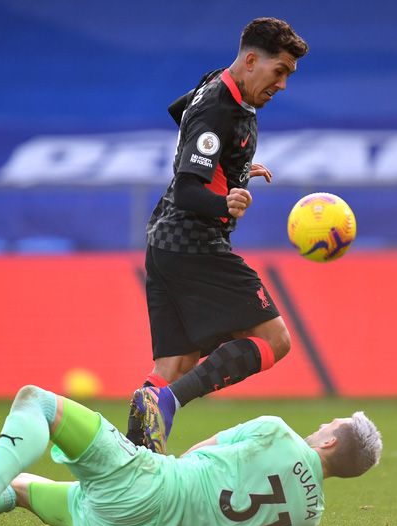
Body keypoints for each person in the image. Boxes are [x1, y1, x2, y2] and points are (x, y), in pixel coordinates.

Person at [0, 385, 382, 526]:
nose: (321, 427)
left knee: (37, 402)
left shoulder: (278, 433)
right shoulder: (310, 518)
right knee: (20, 486)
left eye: (329, 427)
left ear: (332, 444)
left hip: (149, 483)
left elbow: (197, 453)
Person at [127, 17, 310, 454]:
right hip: (195, 244)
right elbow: (190, 186)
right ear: (251, 61)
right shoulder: (218, 107)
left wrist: (235, 164)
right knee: (275, 340)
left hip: (164, 243)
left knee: (174, 363)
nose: (282, 84)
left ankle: (131, 466)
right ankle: (166, 403)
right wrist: (223, 200)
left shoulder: (217, 84)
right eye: (279, 71)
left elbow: (180, 112)